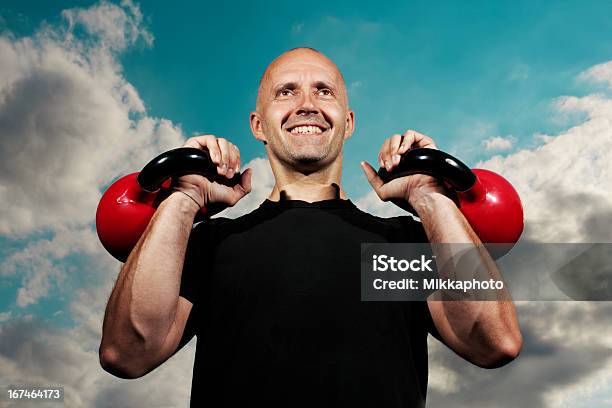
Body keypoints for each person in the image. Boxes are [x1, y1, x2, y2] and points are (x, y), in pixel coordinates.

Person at [99, 47, 522, 407]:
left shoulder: (393, 248)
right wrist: (184, 198)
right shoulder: (215, 244)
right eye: (286, 92)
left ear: (349, 121)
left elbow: (493, 341)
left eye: (324, 90)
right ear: (258, 125)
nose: (306, 104)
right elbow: (128, 352)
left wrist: (431, 198)